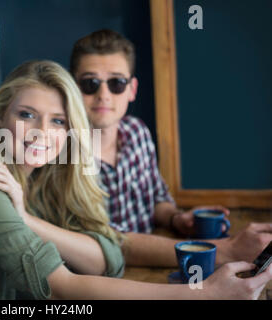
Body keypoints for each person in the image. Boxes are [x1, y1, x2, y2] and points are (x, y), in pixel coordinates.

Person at [0, 59, 272, 299]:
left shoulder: (44, 172)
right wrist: (203, 295)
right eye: (27, 115)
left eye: (58, 122)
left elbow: (108, 254)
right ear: (1, 115)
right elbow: (60, 287)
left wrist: (27, 220)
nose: (40, 133)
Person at [69, 29, 272, 266]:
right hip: (107, 281)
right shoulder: (62, 154)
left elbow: (156, 199)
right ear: (73, 88)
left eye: (116, 83)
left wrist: (177, 219)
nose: (103, 95)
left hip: (156, 262)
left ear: (132, 89)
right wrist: (226, 250)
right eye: (90, 83)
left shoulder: (136, 132)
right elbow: (109, 244)